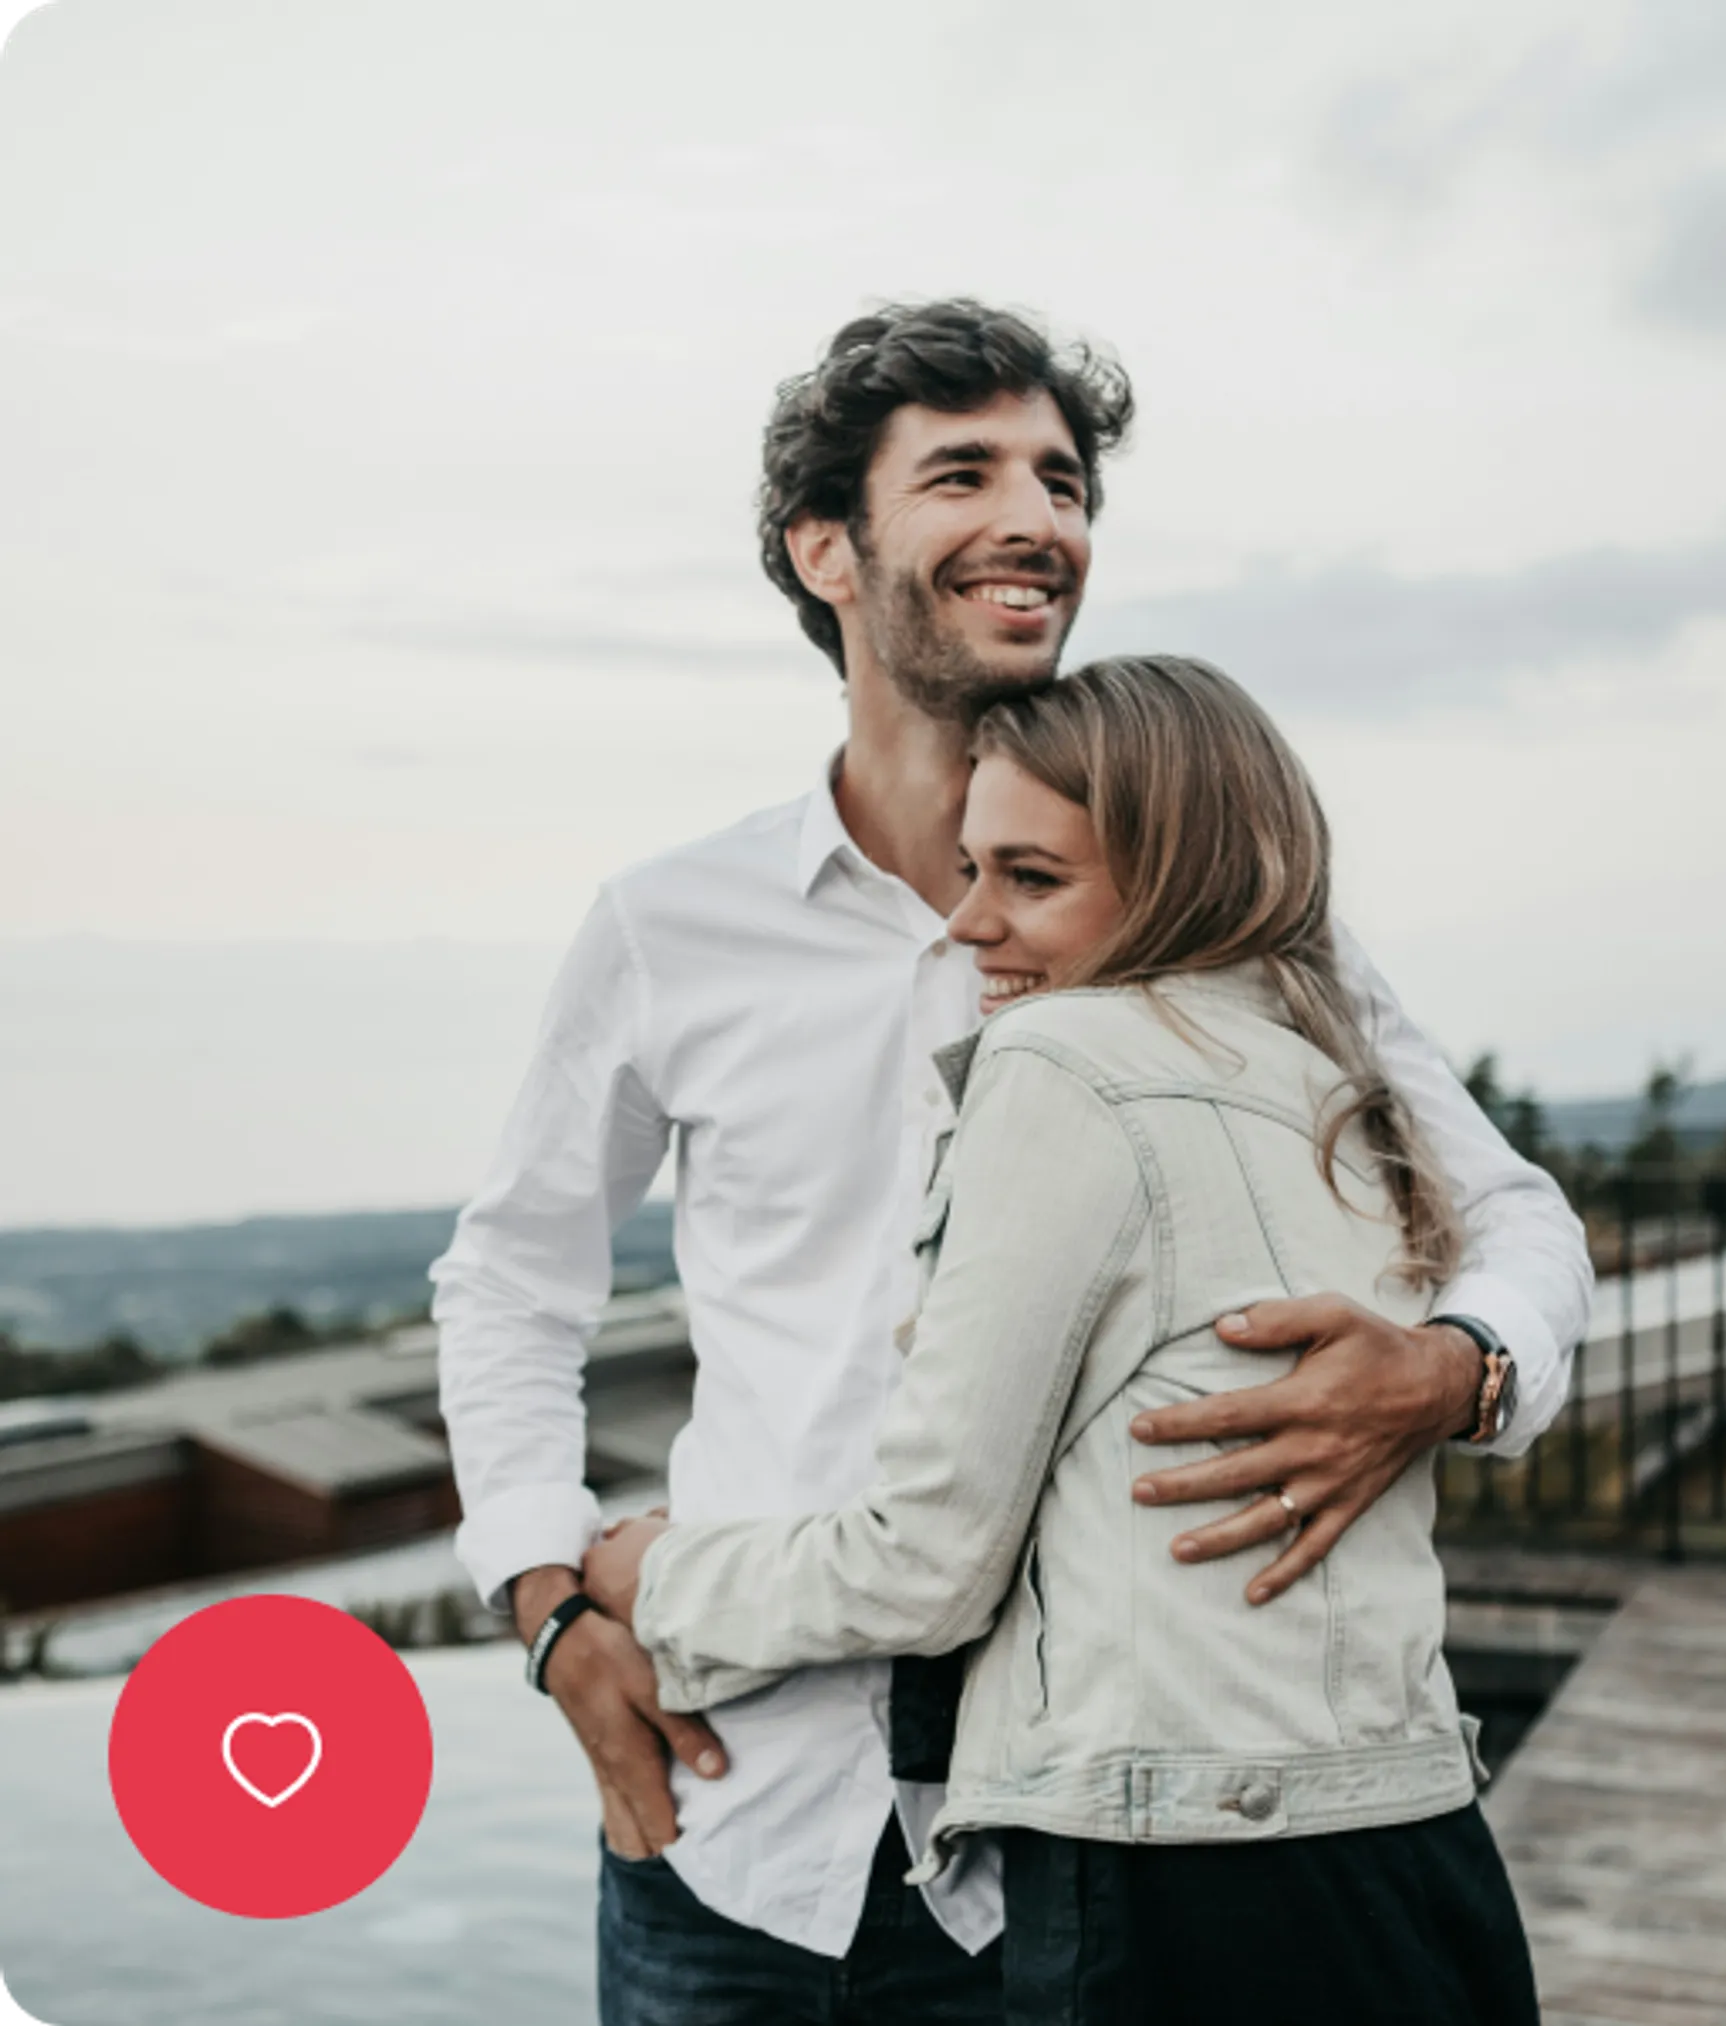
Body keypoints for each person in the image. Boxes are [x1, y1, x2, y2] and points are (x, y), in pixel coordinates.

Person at [431, 300, 1590, 2024]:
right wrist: (549, 1604)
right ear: (826, 547)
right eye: (963, 473)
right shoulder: (668, 926)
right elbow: (512, 1281)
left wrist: (1455, 1366)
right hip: (727, 1814)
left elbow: (1510, 1210)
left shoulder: (1236, 925)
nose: (1037, 517)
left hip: (1063, 1861)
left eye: (1060, 478)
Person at [584, 655, 1541, 2025]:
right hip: (1416, 1846)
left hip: (1182, 1887)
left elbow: (927, 1563)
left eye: (1029, 879)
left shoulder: (1061, 1064)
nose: (970, 925)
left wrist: (655, 1578)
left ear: (1179, 879)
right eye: (973, 870)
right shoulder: (1340, 1080)